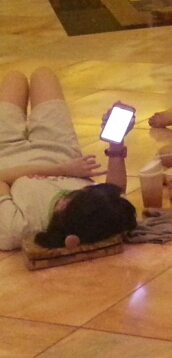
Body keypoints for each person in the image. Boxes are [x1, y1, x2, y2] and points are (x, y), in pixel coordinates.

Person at [0, 68, 136, 251]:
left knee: (14, 78)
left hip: (7, 150)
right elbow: (117, 190)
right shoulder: (97, 214)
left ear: (63, 206)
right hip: (59, 146)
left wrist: (62, 170)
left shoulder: (17, 230)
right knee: (43, 75)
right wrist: (116, 143)